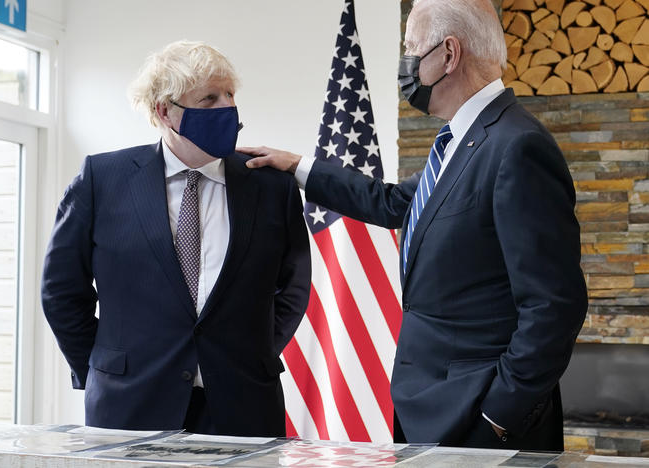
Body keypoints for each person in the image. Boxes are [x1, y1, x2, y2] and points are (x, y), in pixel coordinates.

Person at [241, 0, 587, 451]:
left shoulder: (517, 147)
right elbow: (394, 202)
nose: (405, 65)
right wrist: (301, 168)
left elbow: (554, 306)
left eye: (410, 49)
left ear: (448, 53)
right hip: (432, 408)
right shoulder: (462, 139)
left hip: (480, 418)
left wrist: (499, 414)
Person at [41, 40, 311, 436]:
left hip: (243, 404)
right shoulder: (102, 179)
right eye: (208, 98)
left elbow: (293, 286)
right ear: (164, 111)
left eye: (230, 94)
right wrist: (103, 365)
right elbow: (62, 291)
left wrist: (254, 353)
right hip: (129, 405)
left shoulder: (271, 185)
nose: (226, 107)